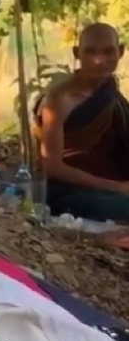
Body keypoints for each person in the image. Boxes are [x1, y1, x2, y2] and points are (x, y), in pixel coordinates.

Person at [35, 22, 129, 222]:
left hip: (110, 183)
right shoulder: (59, 99)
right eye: (90, 52)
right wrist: (115, 187)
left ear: (120, 52)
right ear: (77, 53)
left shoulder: (111, 97)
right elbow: (51, 165)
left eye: (108, 52)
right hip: (67, 190)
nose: (99, 60)